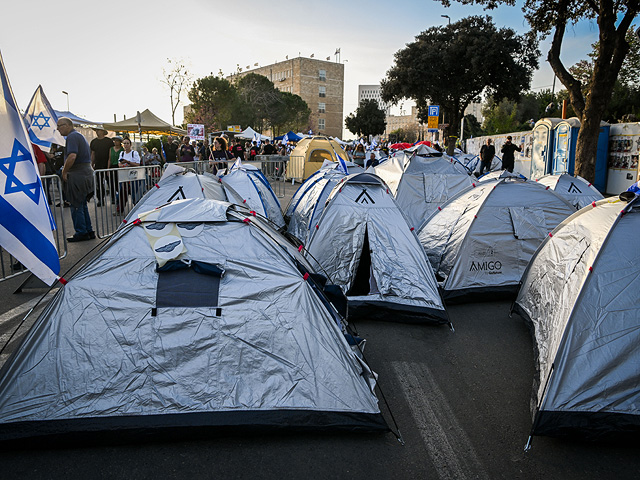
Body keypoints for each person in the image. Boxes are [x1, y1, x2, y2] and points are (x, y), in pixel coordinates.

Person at [56, 117, 95, 242]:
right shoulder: (78, 136)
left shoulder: (72, 137)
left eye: (60, 126)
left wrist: (64, 171)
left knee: (76, 204)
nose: (58, 129)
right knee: (82, 204)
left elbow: (72, 156)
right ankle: (88, 230)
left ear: (67, 125)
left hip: (78, 174)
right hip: (84, 173)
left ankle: (81, 232)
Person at [115, 138, 141, 214]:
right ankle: (120, 209)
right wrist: (122, 165)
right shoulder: (122, 153)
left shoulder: (134, 153)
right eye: (124, 143)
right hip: (124, 176)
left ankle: (136, 209)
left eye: (127, 143)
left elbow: (137, 164)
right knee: (122, 192)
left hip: (133, 176)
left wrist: (127, 162)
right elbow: (119, 163)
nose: (126, 145)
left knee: (134, 193)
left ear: (130, 144)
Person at [90, 127, 114, 206]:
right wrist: (92, 164)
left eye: (98, 130)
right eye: (96, 130)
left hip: (108, 165)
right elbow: (93, 154)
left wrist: (109, 165)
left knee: (111, 182)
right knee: (99, 184)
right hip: (98, 166)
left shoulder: (109, 141)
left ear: (103, 131)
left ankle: (113, 198)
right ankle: (101, 199)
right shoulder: (94, 142)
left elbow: (112, 153)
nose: (97, 132)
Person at [107, 136, 124, 205]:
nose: (116, 142)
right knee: (111, 183)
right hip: (112, 166)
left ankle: (118, 197)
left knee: (118, 182)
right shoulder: (111, 149)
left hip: (118, 166)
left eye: (117, 141)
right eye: (115, 141)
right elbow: (109, 159)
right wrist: (108, 169)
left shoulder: (122, 149)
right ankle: (113, 197)